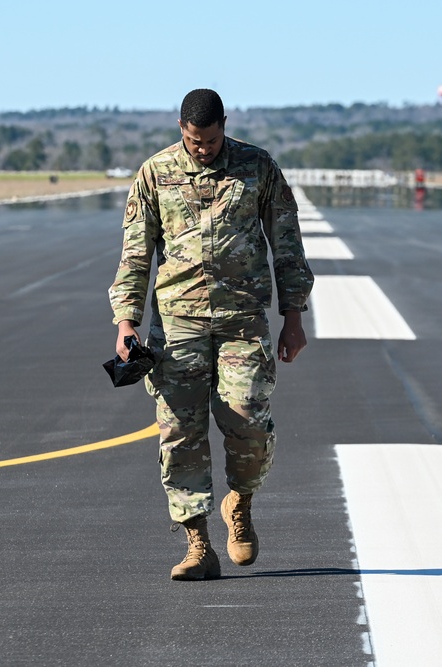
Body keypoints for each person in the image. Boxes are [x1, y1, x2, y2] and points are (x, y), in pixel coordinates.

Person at [109, 89, 314, 581]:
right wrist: (126, 322)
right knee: (180, 432)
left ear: (225, 124)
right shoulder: (155, 174)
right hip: (177, 326)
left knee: (248, 418)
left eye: (211, 139)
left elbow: (286, 242)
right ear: (180, 127)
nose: (202, 148)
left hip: (242, 320)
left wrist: (293, 316)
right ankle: (198, 544)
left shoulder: (258, 167)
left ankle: (239, 502)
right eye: (193, 140)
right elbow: (136, 253)